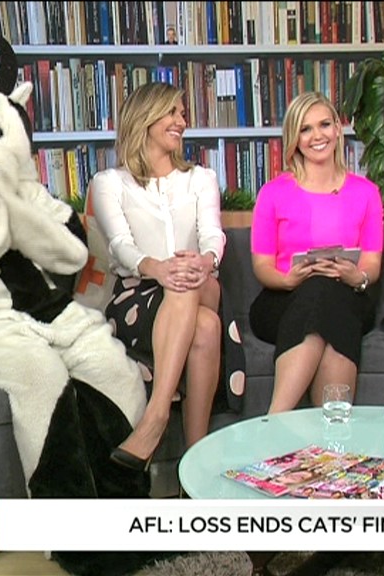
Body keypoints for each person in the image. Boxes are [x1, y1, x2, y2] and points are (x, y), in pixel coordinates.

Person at [90, 82, 237, 470]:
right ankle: (196, 465)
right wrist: (158, 268)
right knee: (205, 327)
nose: (181, 121)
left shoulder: (200, 178)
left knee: (186, 279)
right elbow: (120, 244)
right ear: (145, 117)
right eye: (172, 112)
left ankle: (155, 418)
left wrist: (206, 259)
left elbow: (212, 233)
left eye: (182, 113)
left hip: (202, 283)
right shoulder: (109, 183)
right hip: (137, 295)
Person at [249, 91, 384, 413]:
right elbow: (263, 265)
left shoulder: (366, 192)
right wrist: (288, 280)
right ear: (295, 138)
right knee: (320, 293)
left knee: (328, 294)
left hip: (347, 293)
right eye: (306, 129)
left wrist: (356, 276)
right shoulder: (273, 193)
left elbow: (372, 262)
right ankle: (332, 432)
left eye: (324, 124)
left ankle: (275, 419)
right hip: (282, 298)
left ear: (337, 128)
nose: (317, 136)